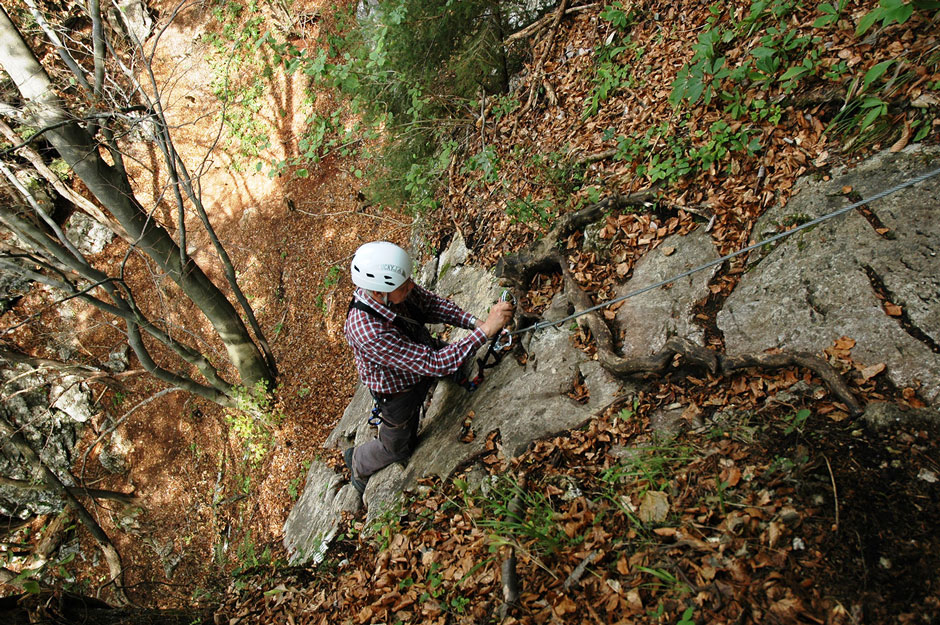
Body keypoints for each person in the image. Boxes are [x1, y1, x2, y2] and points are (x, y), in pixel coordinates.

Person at [342, 241, 514, 495]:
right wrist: (486, 330)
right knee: (397, 449)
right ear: (379, 293)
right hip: (398, 390)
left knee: (449, 360)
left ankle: (451, 370)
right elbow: (433, 364)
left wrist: (476, 323)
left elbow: (433, 306)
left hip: (422, 353)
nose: (412, 286)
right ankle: (357, 461)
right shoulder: (367, 330)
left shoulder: (395, 288)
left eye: (409, 280)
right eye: (404, 286)